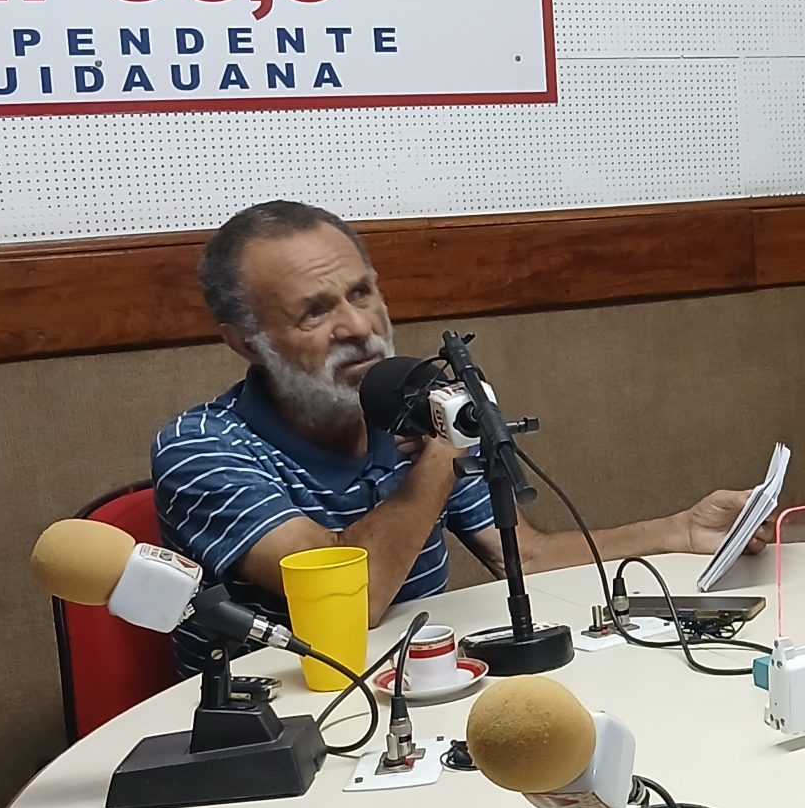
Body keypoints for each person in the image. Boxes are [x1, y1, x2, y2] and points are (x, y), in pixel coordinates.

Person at [152, 201, 759, 627]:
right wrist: (444, 450)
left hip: (418, 694)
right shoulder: (200, 448)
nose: (358, 327)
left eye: (361, 293)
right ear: (247, 342)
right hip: (282, 727)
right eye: (315, 311)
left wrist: (679, 532)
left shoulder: (412, 413)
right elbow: (351, 601)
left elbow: (526, 556)